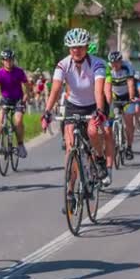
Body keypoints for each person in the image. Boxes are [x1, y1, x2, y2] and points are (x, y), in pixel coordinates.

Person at [41, 28, 111, 190]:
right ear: (68, 49)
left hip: (94, 104)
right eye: (73, 48)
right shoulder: (63, 65)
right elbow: (56, 89)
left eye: (80, 47)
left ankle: (99, 160)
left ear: (86, 47)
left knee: (93, 132)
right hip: (74, 105)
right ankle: (70, 191)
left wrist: (100, 111)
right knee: (70, 148)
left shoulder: (97, 64)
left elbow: (98, 90)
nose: (76, 51)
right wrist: (47, 112)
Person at [0, 49, 31, 158]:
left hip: (18, 100)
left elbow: (27, 86)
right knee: (1, 117)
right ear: (2, 61)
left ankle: (20, 145)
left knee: (18, 120)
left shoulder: (19, 71)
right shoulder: (0, 73)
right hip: (5, 99)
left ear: (13, 60)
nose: (8, 62)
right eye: (6, 60)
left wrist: (25, 97)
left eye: (10, 60)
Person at [105, 51, 137, 160]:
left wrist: (131, 98)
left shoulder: (127, 67)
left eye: (117, 63)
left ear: (121, 61)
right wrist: (107, 101)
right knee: (109, 121)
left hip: (127, 96)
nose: (115, 65)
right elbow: (107, 86)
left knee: (129, 123)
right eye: (112, 63)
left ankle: (129, 147)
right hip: (114, 96)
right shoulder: (108, 68)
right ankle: (112, 143)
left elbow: (131, 84)